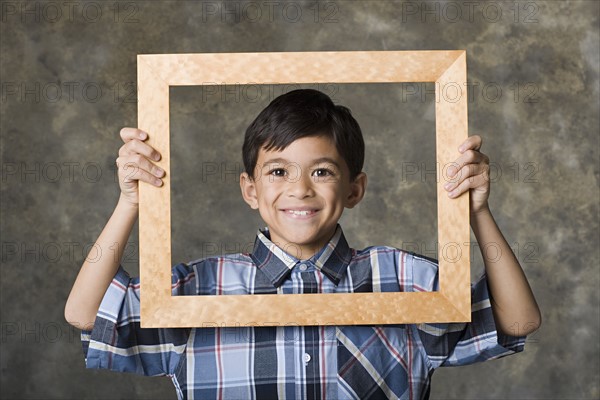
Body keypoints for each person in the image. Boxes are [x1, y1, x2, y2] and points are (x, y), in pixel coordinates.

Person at [65, 89, 541, 399]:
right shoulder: (196, 290)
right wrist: (131, 202)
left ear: (354, 189)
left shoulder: (405, 279)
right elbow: (85, 313)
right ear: (250, 190)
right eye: (278, 172)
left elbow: (517, 319)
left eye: (322, 171)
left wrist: (476, 210)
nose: (299, 189)